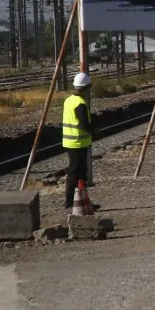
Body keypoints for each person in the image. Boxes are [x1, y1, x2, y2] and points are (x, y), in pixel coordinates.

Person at [62, 72, 99, 211]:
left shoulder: (69, 100)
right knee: (75, 172)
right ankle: (70, 202)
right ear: (86, 87)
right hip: (78, 142)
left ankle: (83, 201)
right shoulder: (80, 103)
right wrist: (95, 130)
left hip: (71, 141)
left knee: (80, 173)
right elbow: (83, 125)